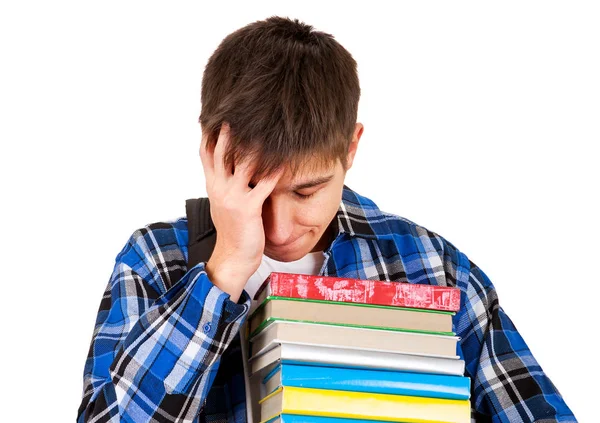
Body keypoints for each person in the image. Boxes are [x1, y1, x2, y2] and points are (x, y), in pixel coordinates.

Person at [77, 16, 576, 423]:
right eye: (255, 189)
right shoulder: (154, 262)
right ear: (213, 150)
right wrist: (224, 268)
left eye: (306, 191)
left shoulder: (432, 265)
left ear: (351, 148)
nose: (277, 228)